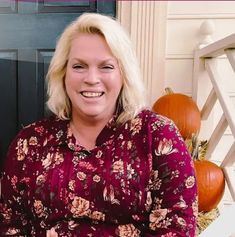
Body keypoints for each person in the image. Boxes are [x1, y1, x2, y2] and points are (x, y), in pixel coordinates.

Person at [0, 13, 198, 237]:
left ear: (124, 74)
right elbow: (10, 225)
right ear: (62, 73)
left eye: (106, 67)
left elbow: (178, 226)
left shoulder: (158, 136)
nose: (92, 78)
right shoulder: (30, 143)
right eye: (79, 66)